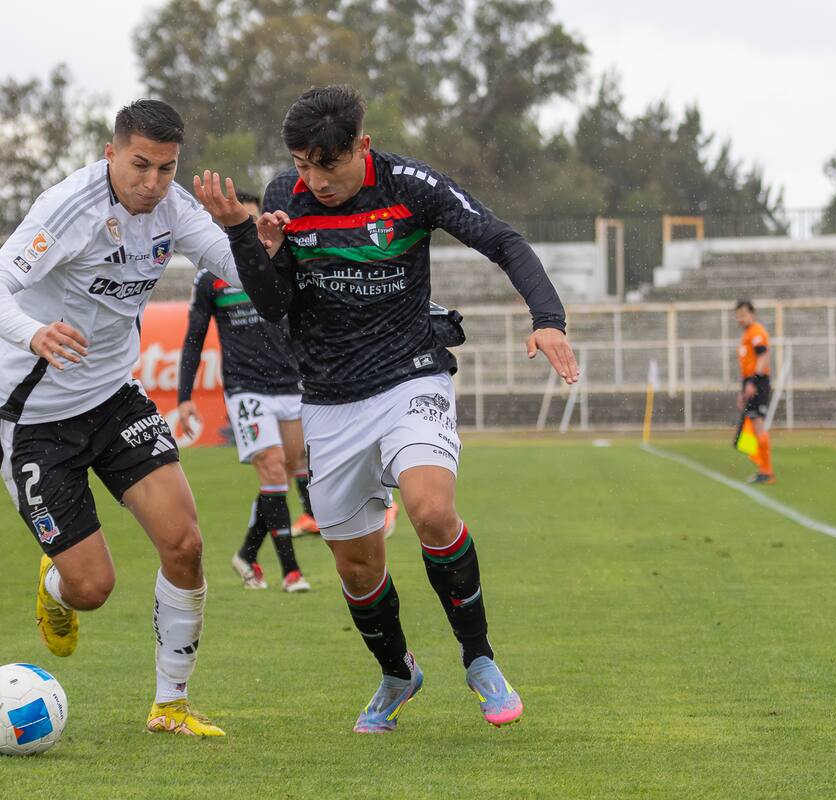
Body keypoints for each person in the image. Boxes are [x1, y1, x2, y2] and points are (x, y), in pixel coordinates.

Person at [192, 85, 579, 733]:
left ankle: (480, 659)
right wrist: (242, 237)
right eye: (301, 165)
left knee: (431, 508)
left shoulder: (410, 185)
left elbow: (503, 240)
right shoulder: (286, 196)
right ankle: (398, 671)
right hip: (329, 400)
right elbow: (274, 304)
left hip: (410, 376)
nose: (314, 180)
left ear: (361, 148)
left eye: (327, 165)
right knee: (357, 565)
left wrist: (549, 319)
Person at [0, 99, 241, 737]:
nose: (152, 183)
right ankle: (57, 584)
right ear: (110, 152)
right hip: (33, 416)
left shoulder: (173, 208)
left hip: (114, 396)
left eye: (166, 169)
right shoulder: (69, 208)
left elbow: (233, 266)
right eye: (139, 165)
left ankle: (169, 706)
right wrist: (34, 334)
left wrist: (257, 242)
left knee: (187, 544)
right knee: (92, 588)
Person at [177, 190, 314, 593]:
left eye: (255, 223)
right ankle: (291, 572)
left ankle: (247, 554)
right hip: (245, 389)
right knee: (272, 468)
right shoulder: (211, 278)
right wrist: (185, 397)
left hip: (290, 385)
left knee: (285, 474)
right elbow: (194, 339)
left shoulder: (284, 265)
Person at [734, 300, 775, 483]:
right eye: (738, 315)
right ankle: (762, 469)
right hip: (750, 382)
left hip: (758, 382)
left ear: (752, 314)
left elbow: (763, 356)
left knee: (757, 424)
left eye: (743, 314)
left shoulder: (757, 332)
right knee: (751, 424)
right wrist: (743, 390)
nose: (740, 318)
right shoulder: (746, 335)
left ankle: (767, 471)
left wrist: (753, 382)